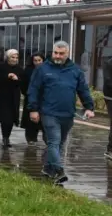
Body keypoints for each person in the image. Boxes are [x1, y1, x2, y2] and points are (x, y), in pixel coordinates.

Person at [27, 41, 95, 183]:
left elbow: (83, 90)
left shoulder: (75, 70)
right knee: (54, 141)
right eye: (55, 53)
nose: (57, 56)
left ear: (67, 53)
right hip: (49, 113)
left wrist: (89, 107)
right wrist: (33, 109)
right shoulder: (42, 69)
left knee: (60, 143)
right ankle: (59, 170)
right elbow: (33, 90)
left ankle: (48, 168)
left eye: (61, 53)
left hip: (68, 114)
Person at [0, 49, 23, 148]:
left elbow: (22, 82)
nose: (15, 59)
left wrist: (17, 79)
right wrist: (7, 76)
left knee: (12, 119)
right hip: (3, 96)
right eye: (13, 57)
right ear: (8, 58)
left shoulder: (19, 69)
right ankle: (5, 138)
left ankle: (7, 137)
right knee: (5, 119)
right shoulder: (1, 66)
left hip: (14, 96)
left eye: (16, 57)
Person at [20, 53, 45, 145]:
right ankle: (31, 139)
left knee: (44, 121)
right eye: (35, 60)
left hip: (44, 99)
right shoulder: (28, 70)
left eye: (39, 60)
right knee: (30, 122)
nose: (37, 62)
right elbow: (23, 85)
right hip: (30, 98)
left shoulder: (47, 70)